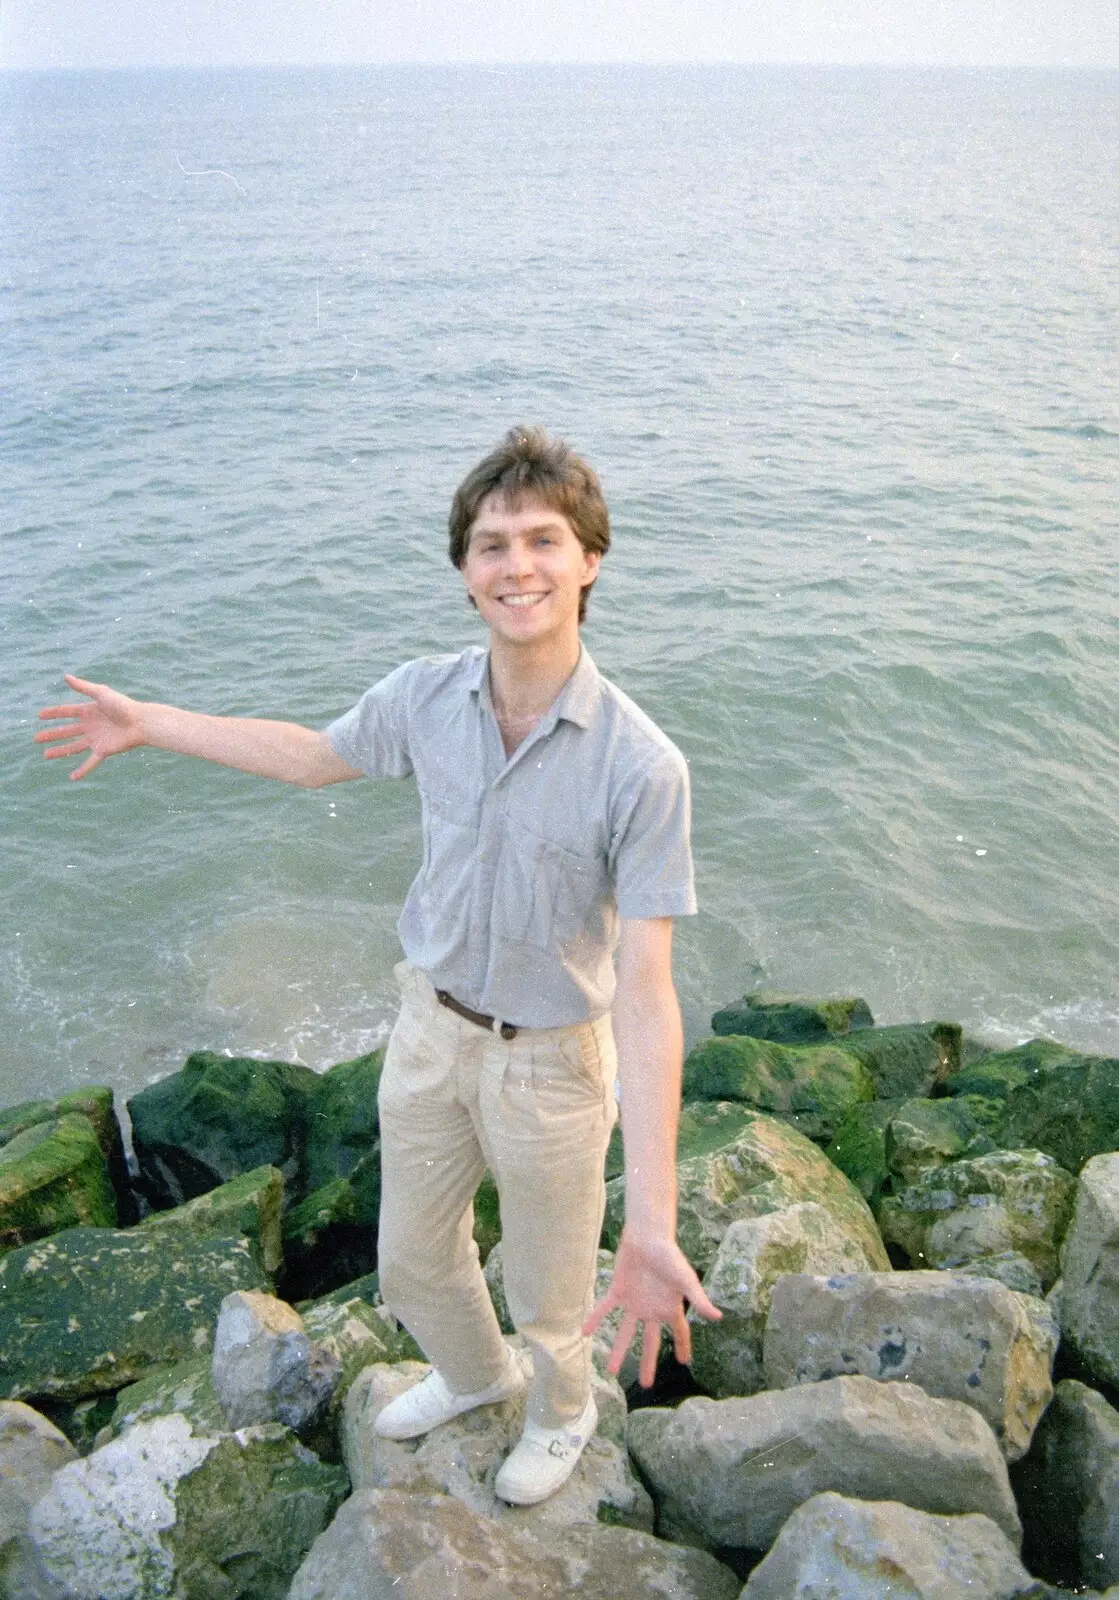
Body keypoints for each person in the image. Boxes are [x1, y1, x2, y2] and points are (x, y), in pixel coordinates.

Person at [36, 425, 720, 1505]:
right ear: (465, 573)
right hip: (430, 1031)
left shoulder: (641, 766)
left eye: (544, 540)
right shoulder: (426, 696)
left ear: (590, 560)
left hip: (553, 1062)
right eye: (492, 545)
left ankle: (561, 1409)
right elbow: (312, 757)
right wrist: (149, 723)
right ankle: (473, 1376)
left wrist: (654, 1220)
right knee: (410, 1262)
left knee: (550, 1295)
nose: (517, 565)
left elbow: (646, 990)